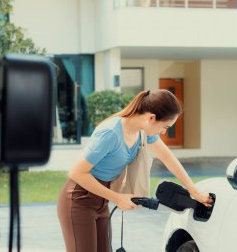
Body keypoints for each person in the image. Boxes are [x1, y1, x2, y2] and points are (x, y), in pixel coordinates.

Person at [57, 89, 213, 252]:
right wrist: (117, 198)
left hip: (100, 201)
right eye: (165, 126)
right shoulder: (111, 133)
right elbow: (76, 173)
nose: (164, 132)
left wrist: (193, 190)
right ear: (151, 118)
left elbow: (167, 157)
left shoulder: (142, 133)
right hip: (78, 199)